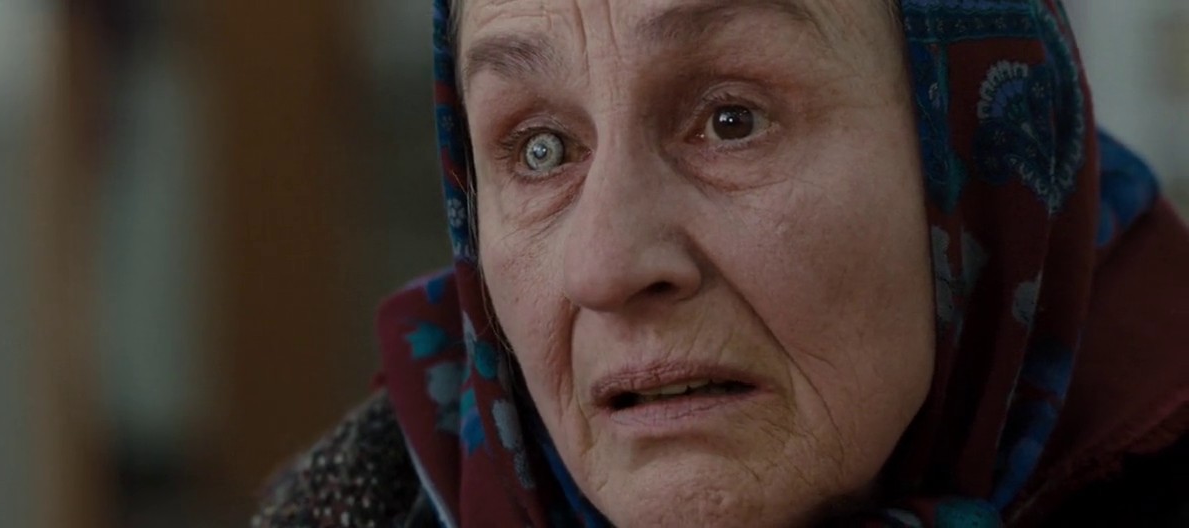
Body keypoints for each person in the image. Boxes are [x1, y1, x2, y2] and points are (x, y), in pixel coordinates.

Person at [253, 0, 1189, 526]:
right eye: (539, 149)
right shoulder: (363, 503)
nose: (606, 267)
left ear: (978, 156)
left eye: (732, 120)